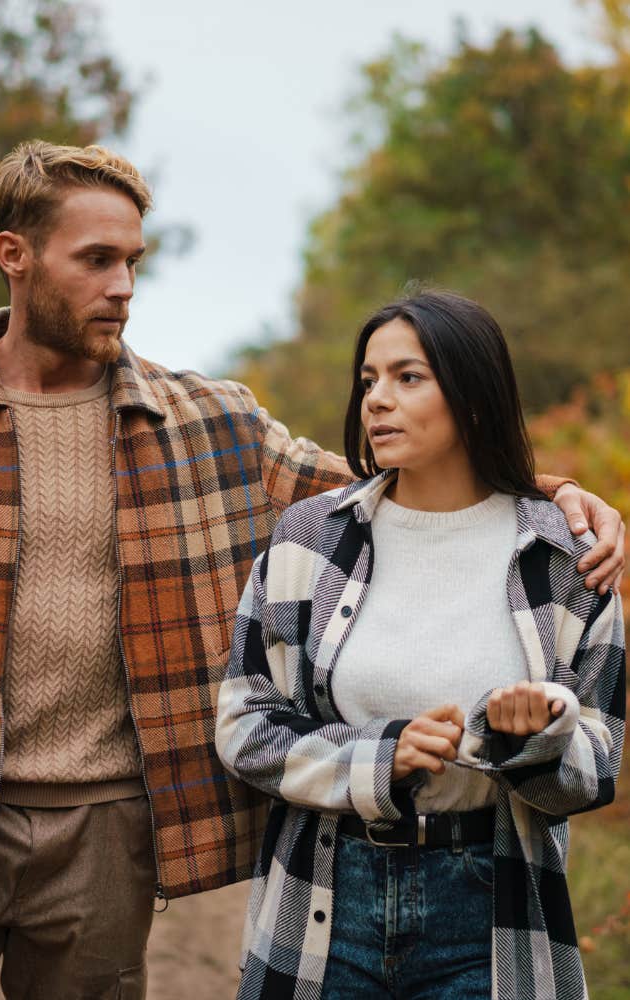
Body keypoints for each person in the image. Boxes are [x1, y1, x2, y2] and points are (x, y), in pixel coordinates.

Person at [0, 145, 622, 1000]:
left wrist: (550, 494)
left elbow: (393, 486)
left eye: (132, 262)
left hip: (107, 839)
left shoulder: (210, 422)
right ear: (14, 254)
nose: (123, 287)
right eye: (96, 260)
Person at [215, 289, 626, 1000]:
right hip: (321, 902)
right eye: (369, 379)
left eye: (408, 377)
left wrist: (534, 738)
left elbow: (600, 765)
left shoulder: (566, 558)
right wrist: (381, 758)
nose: (377, 399)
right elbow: (244, 726)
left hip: (491, 910)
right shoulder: (310, 541)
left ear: (473, 397)